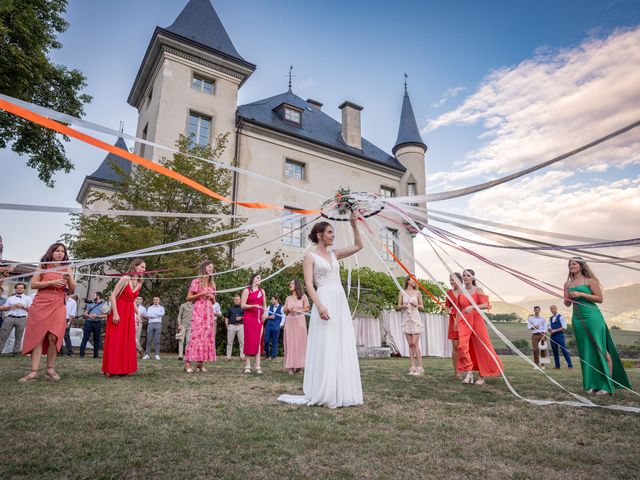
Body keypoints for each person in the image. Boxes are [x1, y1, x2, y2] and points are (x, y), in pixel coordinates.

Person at [279, 212, 364, 408]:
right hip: (324, 297)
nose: (333, 236)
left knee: (340, 340)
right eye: (330, 232)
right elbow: (308, 284)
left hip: (339, 299)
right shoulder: (310, 257)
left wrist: (354, 225)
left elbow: (359, 246)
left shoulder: (335, 254)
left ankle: (341, 389)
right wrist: (319, 305)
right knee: (326, 342)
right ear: (320, 235)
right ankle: (324, 388)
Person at [564, 257, 631, 395]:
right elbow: (567, 303)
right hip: (577, 319)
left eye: (574, 263)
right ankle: (592, 384)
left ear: (581, 266)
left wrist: (580, 293)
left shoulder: (590, 281)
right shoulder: (567, 284)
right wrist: (568, 298)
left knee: (600, 349)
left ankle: (607, 385)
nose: (571, 265)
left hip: (593, 317)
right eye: (570, 264)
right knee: (586, 350)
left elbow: (599, 299)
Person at [20, 243, 76, 382]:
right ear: (51, 252)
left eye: (63, 251)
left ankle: (50, 369)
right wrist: (51, 282)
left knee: (54, 337)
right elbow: (33, 285)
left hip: (58, 303)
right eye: (57, 251)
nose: (60, 253)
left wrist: (68, 279)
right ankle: (33, 372)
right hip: (41, 303)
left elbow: (73, 289)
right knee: (38, 337)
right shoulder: (43, 266)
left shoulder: (67, 267)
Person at [455, 269, 503, 385]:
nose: (465, 277)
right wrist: (456, 322)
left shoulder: (478, 290)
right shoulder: (461, 292)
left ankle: (482, 376)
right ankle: (469, 372)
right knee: (463, 346)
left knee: (481, 346)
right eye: (464, 275)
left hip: (476, 321)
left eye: (468, 275)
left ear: (473, 278)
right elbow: (459, 309)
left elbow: (486, 305)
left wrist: (473, 307)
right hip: (464, 322)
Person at [102, 258, 145, 376]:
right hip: (119, 310)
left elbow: (132, 300)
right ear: (135, 266)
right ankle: (110, 369)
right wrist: (115, 313)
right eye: (141, 267)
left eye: (144, 268)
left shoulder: (140, 283)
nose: (143, 269)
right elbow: (112, 296)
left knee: (126, 341)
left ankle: (123, 369)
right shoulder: (125, 278)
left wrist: (138, 314)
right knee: (115, 340)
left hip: (129, 313)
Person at [184, 261, 217, 373]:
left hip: (209, 312)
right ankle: (187, 363)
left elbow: (214, 301)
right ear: (204, 268)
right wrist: (201, 294)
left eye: (212, 267)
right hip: (199, 311)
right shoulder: (196, 281)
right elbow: (188, 297)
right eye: (209, 267)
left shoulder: (212, 284)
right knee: (196, 337)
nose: (211, 269)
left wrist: (211, 297)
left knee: (206, 337)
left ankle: (200, 363)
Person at [397, 275, 425, 376]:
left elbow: (422, 307)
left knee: (415, 342)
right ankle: (412, 366)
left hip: (415, 319)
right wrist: (403, 306)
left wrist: (416, 305)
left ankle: (420, 367)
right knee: (410, 344)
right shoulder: (402, 292)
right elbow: (398, 306)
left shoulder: (418, 292)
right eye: (413, 279)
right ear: (408, 281)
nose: (415, 281)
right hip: (406, 319)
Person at [241, 272, 267, 374]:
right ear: (253, 279)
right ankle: (247, 365)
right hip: (249, 318)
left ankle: (258, 365)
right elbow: (243, 305)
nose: (259, 279)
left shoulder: (262, 291)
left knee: (258, 340)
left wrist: (265, 313)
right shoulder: (246, 290)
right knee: (248, 339)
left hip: (259, 318)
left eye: (260, 277)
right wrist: (254, 306)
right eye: (258, 277)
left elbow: (264, 305)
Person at [283, 279, 309, 374]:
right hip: (290, 321)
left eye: (292, 283)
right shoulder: (288, 298)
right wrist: (287, 309)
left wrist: (298, 309)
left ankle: (300, 366)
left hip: (300, 322)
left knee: (300, 343)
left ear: (297, 285)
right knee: (290, 343)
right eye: (290, 283)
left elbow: (307, 308)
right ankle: (290, 366)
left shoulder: (303, 297)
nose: (290, 284)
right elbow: (285, 311)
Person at [0, 283, 31, 355]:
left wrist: (22, 306)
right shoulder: (10, 298)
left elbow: (31, 309)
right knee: (3, 335)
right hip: (10, 318)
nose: (19, 289)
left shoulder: (28, 298)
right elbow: (4, 308)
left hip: (22, 318)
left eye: (21, 288)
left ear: (24, 289)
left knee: (19, 336)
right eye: (18, 288)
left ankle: (16, 352)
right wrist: (9, 307)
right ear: (15, 289)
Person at [445, 272, 462, 376]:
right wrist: (448, 310)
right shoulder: (449, 292)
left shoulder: (464, 292)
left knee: (463, 345)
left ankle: (467, 369)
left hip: (464, 319)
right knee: (455, 346)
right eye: (450, 280)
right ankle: (457, 372)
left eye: (453, 280)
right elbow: (447, 305)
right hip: (453, 320)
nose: (451, 282)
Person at [80, 292, 107, 358]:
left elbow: (106, 315)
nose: (93, 297)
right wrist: (89, 315)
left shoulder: (104, 305)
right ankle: (82, 354)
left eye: (94, 295)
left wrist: (97, 316)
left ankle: (96, 355)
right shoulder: (90, 305)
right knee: (85, 338)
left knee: (96, 339)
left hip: (97, 323)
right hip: (88, 322)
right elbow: (85, 313)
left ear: (98, 296)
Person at [548, 305, 573, 369]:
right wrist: (549, 329)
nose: (552, 310)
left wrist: (554, 330)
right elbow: (550, 326)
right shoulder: (550, 318)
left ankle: (570, 365)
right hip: (553, 336)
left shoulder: (561, 317)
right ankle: (557, 365)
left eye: (553, 309)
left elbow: (564, 327)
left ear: (556, 308)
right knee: (555, 351)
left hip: (560, 336)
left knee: (564, 350)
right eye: (551, 309)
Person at [264, 295, 285, 360]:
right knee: (266, 340)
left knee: (275, 341)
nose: (271, 300)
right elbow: (265, 316)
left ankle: (273, 356)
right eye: (271, 299)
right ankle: (267, 355)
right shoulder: (269, 307)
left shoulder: (282, 308)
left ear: (277, 300)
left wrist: (280, 325)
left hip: (276, 326)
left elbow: (283, 317)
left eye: (273, 299)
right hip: (268, 326)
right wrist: (270, 317)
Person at [224, 295, 244, 360]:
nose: (237, 301)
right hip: (231, 326)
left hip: (240, 326)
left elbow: (247, 317)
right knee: (229, 342)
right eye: (235, 299)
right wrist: (228, 326)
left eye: (238, 299)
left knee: (242, 342)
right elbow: (226, 318)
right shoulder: (230, 308)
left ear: (240, 300)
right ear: (234, 300)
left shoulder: (243, 308)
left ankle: (242, 356)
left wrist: (241, 318)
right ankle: (228, 356)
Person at [62, 292, 77, 356]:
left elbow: (72, 314)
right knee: (58, 336)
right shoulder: (60, 300)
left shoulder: (73, 302)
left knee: (66, 335)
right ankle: (59, 350)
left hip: (67, 319)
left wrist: (68, 323)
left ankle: (69, 351)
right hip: (59, 319)